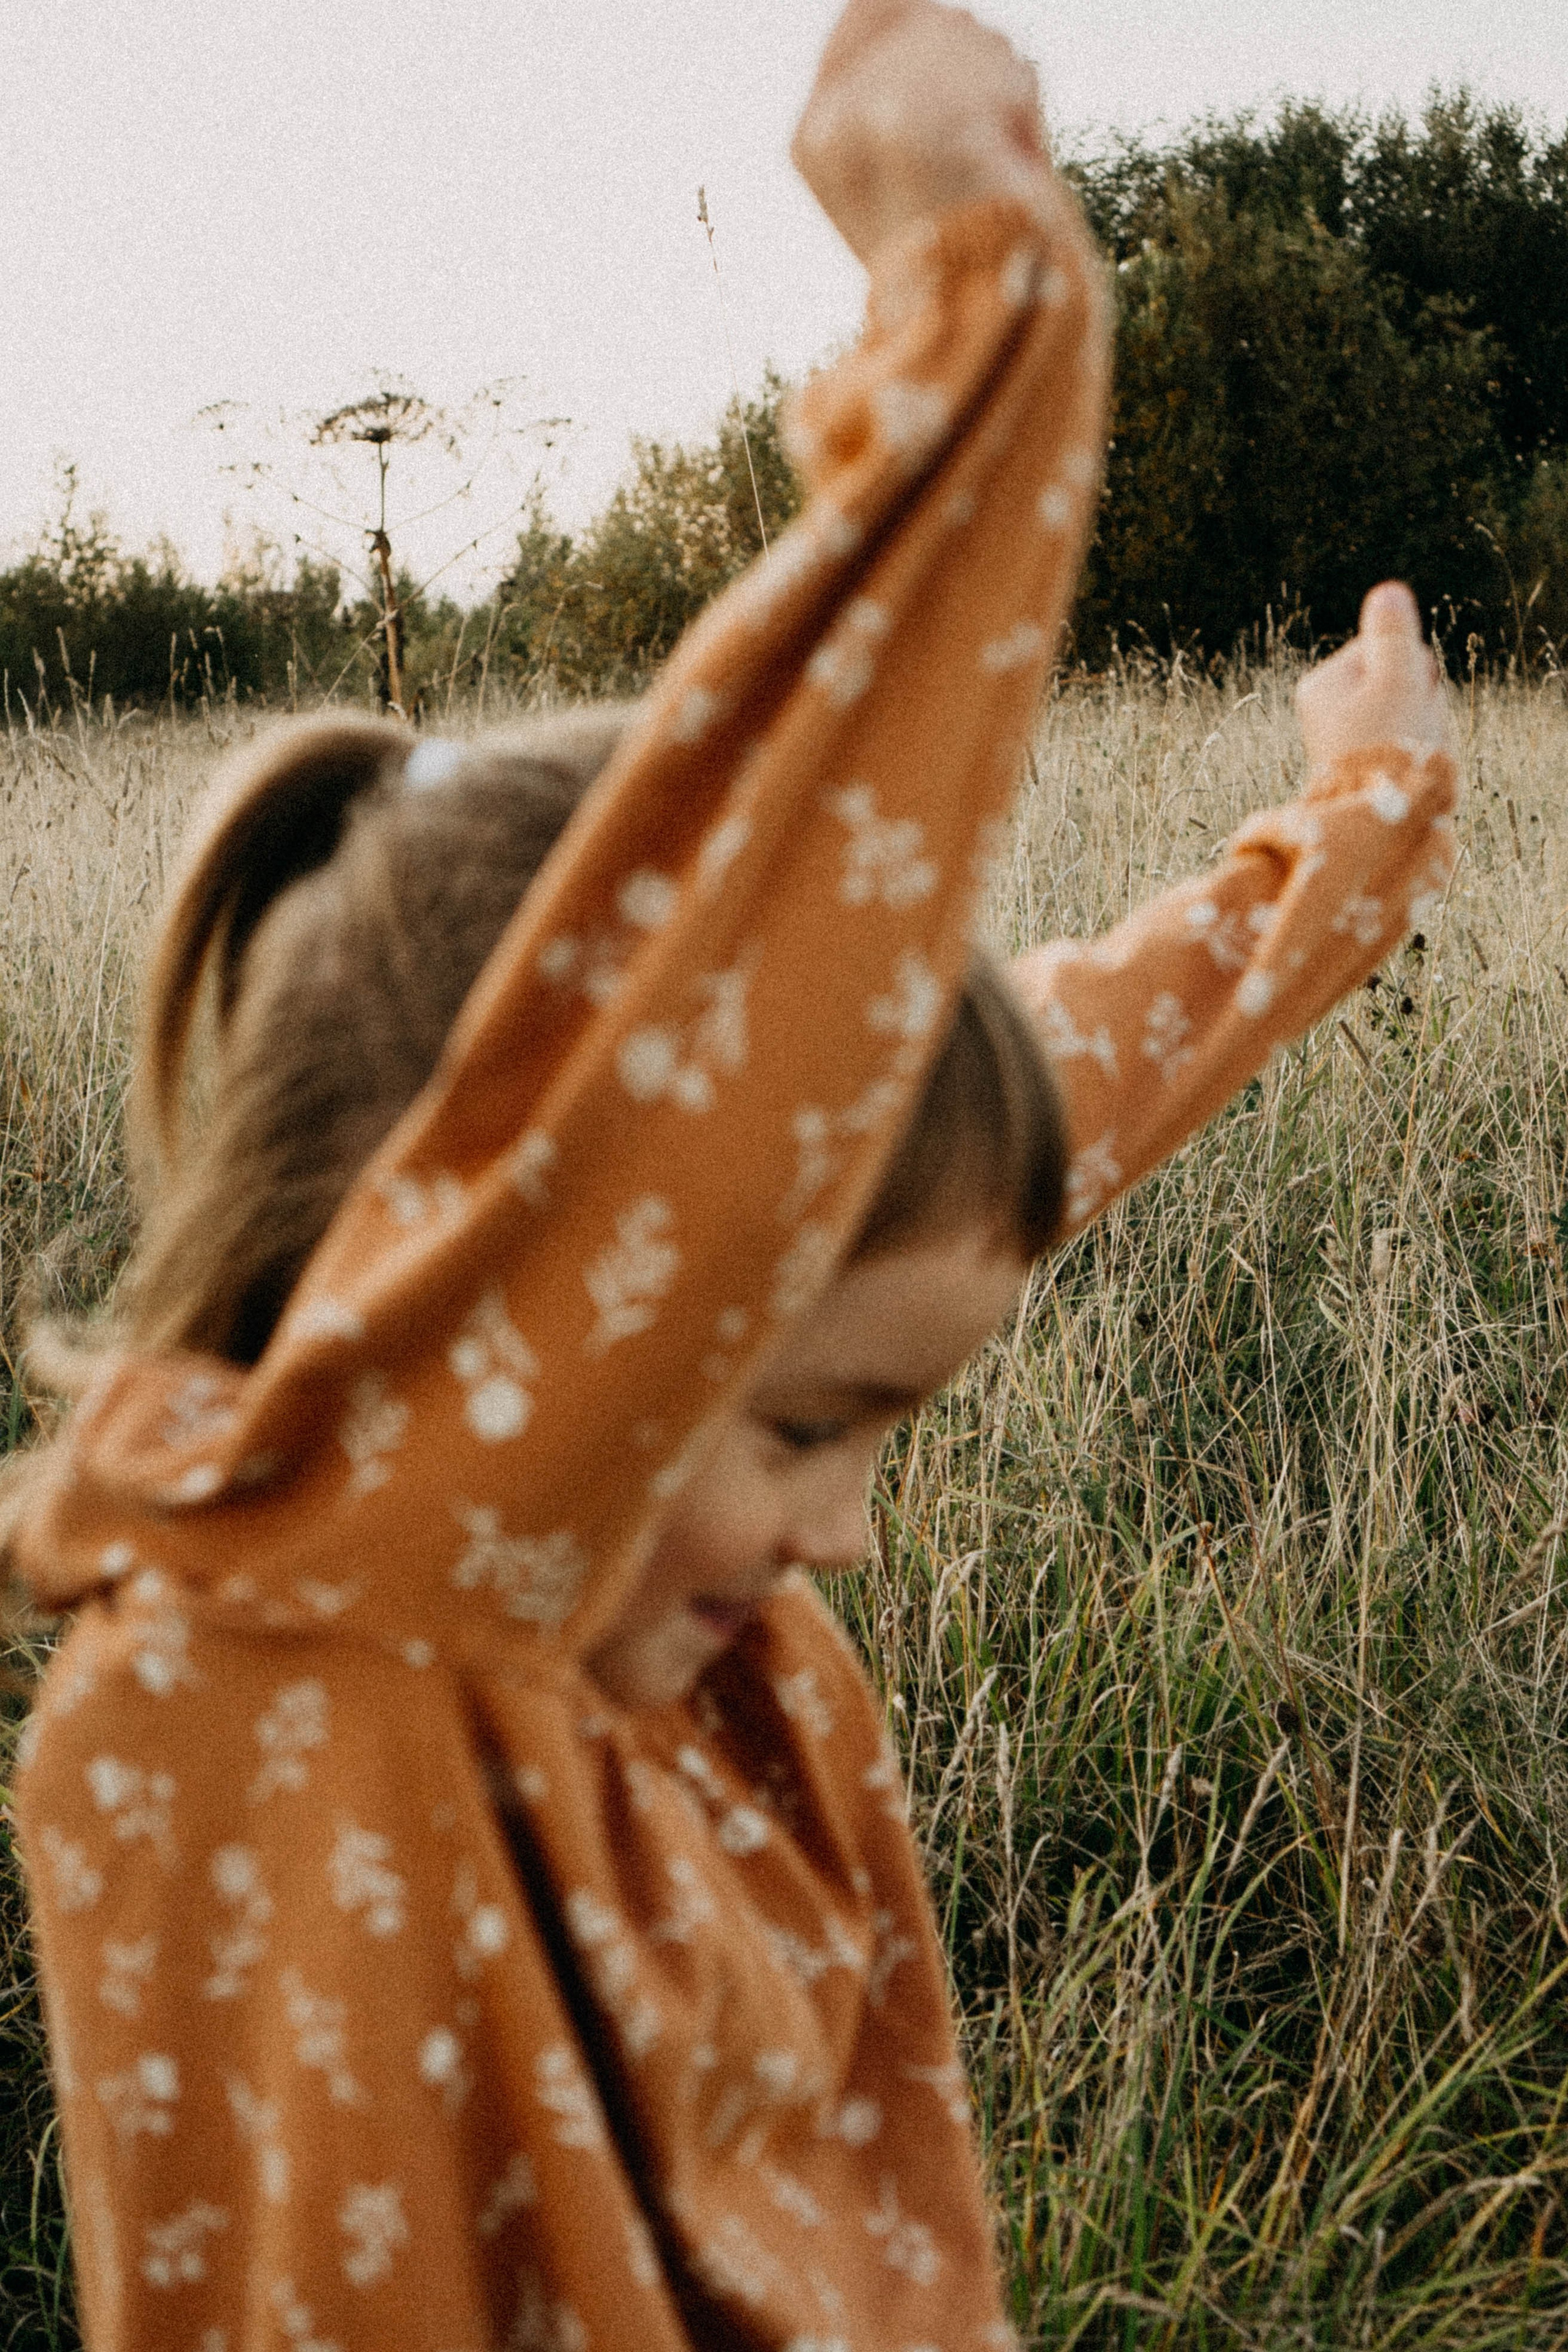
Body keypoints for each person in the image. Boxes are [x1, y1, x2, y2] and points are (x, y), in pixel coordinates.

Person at [6, 3, 1456, 2346]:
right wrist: (992, 325)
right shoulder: (320, 1640)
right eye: (798, 1424)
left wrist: (1351, 845)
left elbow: (1054, 1084)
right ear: (536, 1311)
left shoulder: (612, 1620)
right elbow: (792, 975)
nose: (845, 1536)